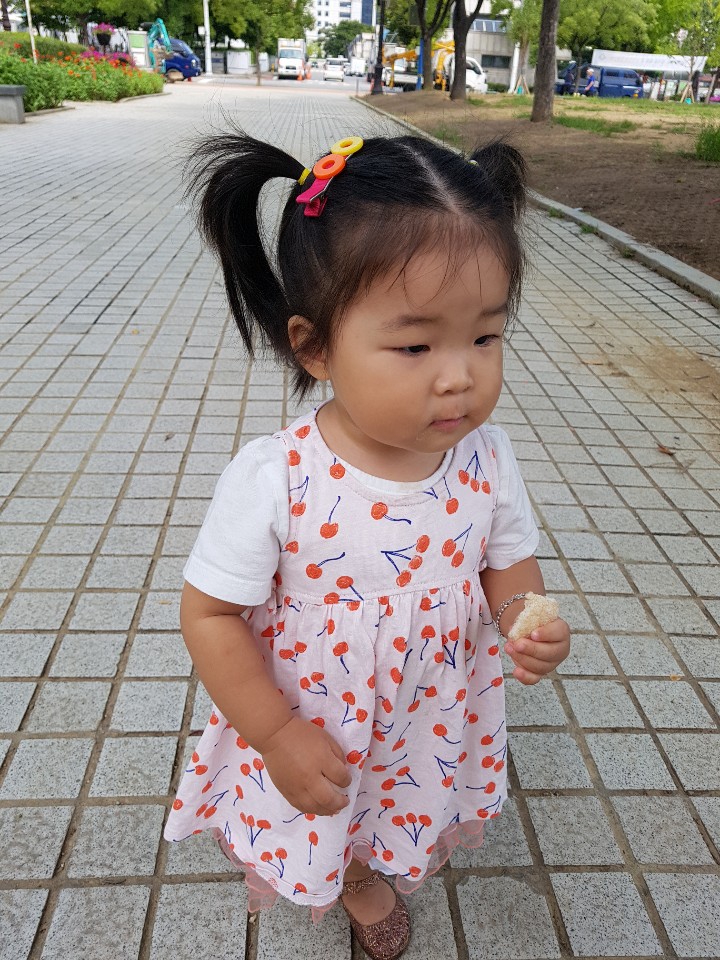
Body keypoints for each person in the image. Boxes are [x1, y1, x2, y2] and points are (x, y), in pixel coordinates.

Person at [164, 131, 571, 959]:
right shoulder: (277, 478)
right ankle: (351, 875)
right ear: (314, 346)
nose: (458, 375)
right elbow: (209, 615)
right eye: (415, 346)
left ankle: (382, 850)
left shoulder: (487, 458)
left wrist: (524, 616)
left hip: (431, 708)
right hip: (314, 717)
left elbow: (506, 563)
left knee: (398, 797)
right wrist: (276, 735)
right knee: (333, 803)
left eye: (485, 337)